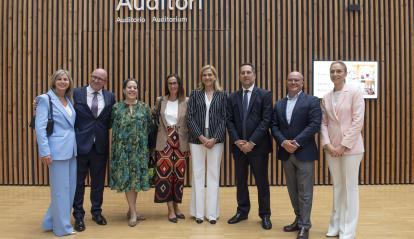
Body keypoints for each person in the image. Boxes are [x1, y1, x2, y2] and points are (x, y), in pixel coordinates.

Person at [271, 71, 322, 239]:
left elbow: (314, 124)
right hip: (286, 153)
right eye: (291, 80)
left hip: (304, 152)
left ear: (302, 82)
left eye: (297, 80)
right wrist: (283, 142)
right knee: (293, 191)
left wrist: (296, 142)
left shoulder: (312, 101)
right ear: (287, 82)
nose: (293, 82)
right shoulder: (279, 104)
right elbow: (274, 126)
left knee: (305, 191)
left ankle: (305, 226)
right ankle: (299, 219)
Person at [321, 61, 365, 239]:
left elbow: (357, 122)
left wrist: (343, 145)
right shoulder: (326, 96)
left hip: (352, 149)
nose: (335, 74)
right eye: (332, 71)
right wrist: (328, 145)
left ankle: (348, 230)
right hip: (331, 149)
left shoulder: (355, 92)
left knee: (350, 188)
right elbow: (323, 124)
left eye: (339, 71)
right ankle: (335, 226)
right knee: (338, 187)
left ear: (345, 73)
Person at [226, 63, 273, 230]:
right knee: (241, 181)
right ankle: (242, 211)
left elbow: (265, 120)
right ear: (239, 76)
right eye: (242, 72)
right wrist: (237, 140)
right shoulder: (232, 97)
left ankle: (265, 214)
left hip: (258, 147)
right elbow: (229, 121)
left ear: (254, 75)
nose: (245, 75)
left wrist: (251, 142)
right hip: (239, 148)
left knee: (262, 182)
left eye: (248, 72)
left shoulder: (265, 94)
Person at [72, 68, 116, 231]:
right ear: (90, 77)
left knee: (98, 182)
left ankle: (96, 212)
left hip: (100, 146)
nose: (97, 80)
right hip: (80, 145)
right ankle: (78, 215)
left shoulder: (110, 96)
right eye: (94, 77)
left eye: (101, 79)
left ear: (105, 82)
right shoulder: (77, 93)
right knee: (78, 183)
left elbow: (110, 120)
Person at [35, 69, 77, 236]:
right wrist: (45, 151)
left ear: (69, 82)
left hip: (72, 150)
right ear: (53, 81)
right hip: (56, 151)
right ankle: (62, 228)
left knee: (70, 190)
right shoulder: (45, 99)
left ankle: (50, 221)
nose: (62, 81)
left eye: (65, 79)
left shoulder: (68, 99)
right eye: (59, 79)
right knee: (60, 191)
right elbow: (40, 127)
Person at [187, 65, 227, 224]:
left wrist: (215, 138)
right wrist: (202, 137)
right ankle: (198, 213)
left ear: (215, 76)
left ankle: (211, 213)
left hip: (216, 140)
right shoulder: (195, 94)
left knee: (213, 174)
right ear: (201, 77)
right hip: (197, 139)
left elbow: (225, 118)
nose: (207, 77)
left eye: (210, 75)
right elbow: (189, 118)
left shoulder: (222, 95)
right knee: (197, 174)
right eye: (204, 75)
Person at [110, 79, 151, 227]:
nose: (132, 90)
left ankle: (131, 209)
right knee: (128, 181)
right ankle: (133, 213)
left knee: (135, 181)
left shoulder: (145, 108)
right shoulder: (116, 108)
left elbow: (150, 128)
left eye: (135, 87)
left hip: (139, 151)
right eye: (129, 87)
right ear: (123, 90)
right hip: (122, 152)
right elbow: (109, 125)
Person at [153, 74, 189, 223]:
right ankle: (170, 210)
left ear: (179, 85)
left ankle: (177, 206)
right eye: (170, 83)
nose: (172, 86)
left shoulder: (187, 101)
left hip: (180, 142)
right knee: (165, 175)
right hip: (164, 142)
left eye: (175, 83)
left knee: (178, 177)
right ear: (167, 85)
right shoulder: (161, 100)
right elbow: (153, 117)